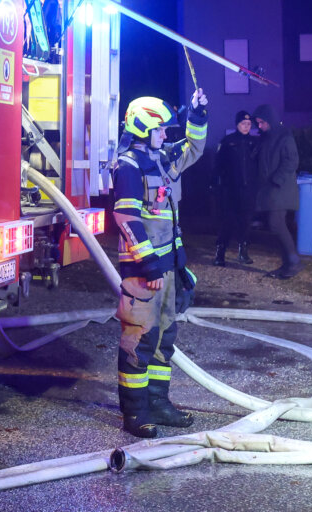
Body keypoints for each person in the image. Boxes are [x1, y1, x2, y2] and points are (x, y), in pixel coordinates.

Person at [111, 89, 207, 438]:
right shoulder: (128, 168)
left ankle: (158, 404)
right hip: (144, 274)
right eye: (161, 129)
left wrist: (197, 116)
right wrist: (149, 268)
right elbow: (126, 219)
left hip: (166, 270)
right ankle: (135, 414)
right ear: (143, 128)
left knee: (164, 340)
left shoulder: (160, 161)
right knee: (139, 342)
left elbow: (193, 148)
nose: (166, 135)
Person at [252, 104, 302, 279]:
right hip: (271, 189)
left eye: (261, 122)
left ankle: (294, 262)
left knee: (276, 224)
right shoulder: (266, 138)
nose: (259, 126)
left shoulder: (284, 136)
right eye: (257, 123)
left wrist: (276, 180)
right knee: (275, 225)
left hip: (280, 189)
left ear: (269, 120)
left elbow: (292, 161)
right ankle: (288, 263)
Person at [212, 110, 258, 266]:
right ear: (237, 124)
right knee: (227, 221)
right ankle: (220, 252)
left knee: (246, 221)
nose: (246, 127)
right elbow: (218, 164)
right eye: (243, 124)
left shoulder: (254, 142)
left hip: (249, 189)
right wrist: (216, 183)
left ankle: (243, 251)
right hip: (231, 189)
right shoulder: (228, 141)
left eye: (248, 124)